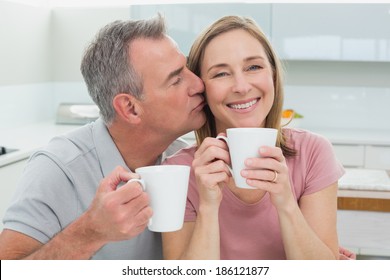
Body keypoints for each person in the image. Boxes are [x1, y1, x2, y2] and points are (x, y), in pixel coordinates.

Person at [0, 14, 206, 259]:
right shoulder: (57, 169)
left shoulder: (186, 160)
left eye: (188, 68)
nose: (198, 84)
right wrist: (91, 232)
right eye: (176, 79)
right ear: (130, 108)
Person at [162, 15, 345, 260]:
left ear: (273, 76)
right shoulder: (177, 172)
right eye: (221, 74)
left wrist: (286, 202)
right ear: (201, 88)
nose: (241, 86)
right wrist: (208, 206)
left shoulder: (313, 152)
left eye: (253, 67)